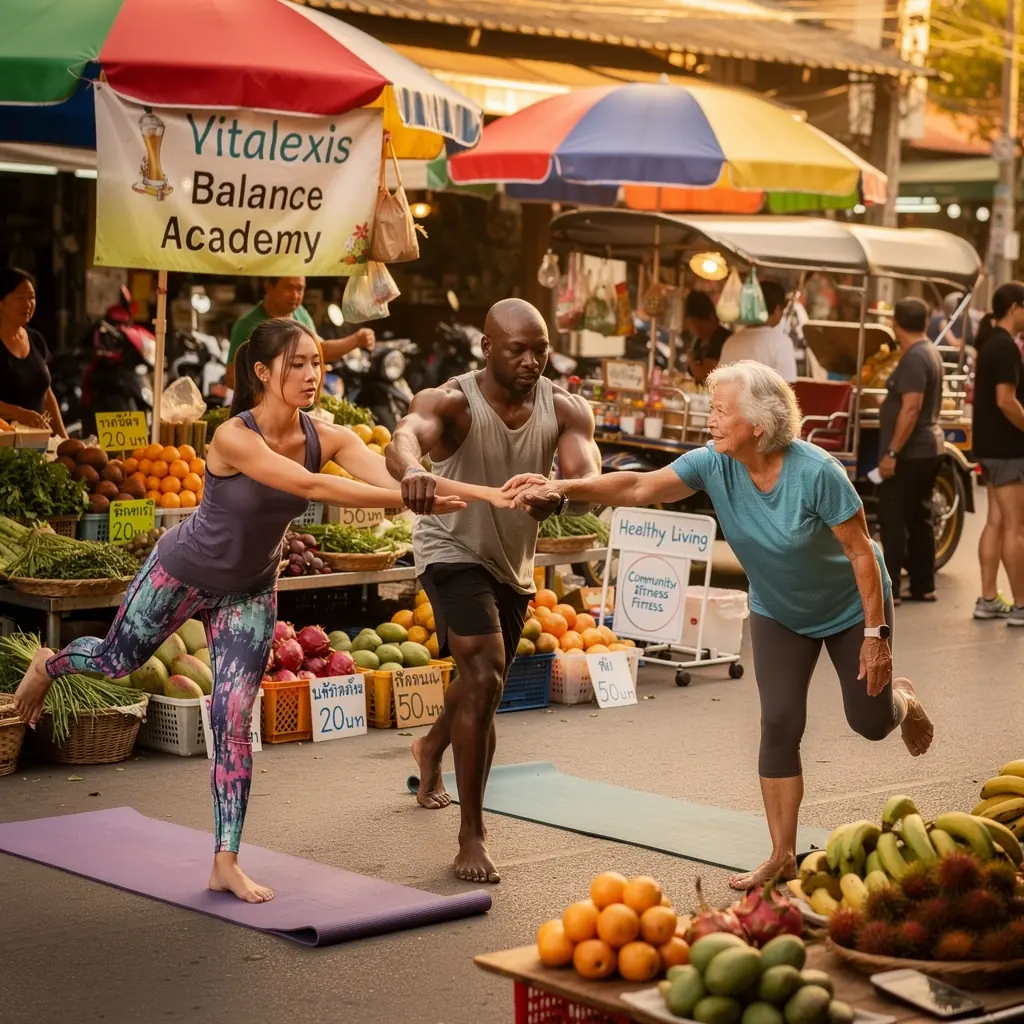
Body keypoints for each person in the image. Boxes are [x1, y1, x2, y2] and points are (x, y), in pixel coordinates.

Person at [14, 318, 520, 904]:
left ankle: (225, 861)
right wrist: (412, 500)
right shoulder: (233, 437)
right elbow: (314, 488)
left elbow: (396, 471)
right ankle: (49, 665)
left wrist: (480, 492)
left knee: (233, 719)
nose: (312, 374)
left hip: (250, 590)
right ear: (262, 371)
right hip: (181, 572)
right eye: (297, 364)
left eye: (317, 363)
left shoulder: (327, 435)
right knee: (113, 661)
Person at [511, 361, 934, 890]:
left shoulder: (817, 472)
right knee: (779, 723)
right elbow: (639, 486)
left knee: (870, 722)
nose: (709, 419)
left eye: (720, 410)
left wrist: (876, 636)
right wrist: (562, 487)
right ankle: (782, 854)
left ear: (758, 423)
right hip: (779, 610)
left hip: (850, 609)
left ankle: (904, 700)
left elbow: (861, 553)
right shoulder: (713, 463)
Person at [386, 298, 600, 884]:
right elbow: (405, 436)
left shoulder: (564, 407)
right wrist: (414, 471)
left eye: (540, 350)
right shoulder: (454, 401)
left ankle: (431, 746)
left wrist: (561, 493)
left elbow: (588, 476)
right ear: (486, 348)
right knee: (484, 674)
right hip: (450, 547)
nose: (531, 361)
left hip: (511, 565)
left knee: (486, 679)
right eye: (517, 350)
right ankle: (472, 835)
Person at [876, 298, 945, 605]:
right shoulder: (928, 350)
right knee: (919, 518)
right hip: (926, 448)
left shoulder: (915, 357)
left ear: (895, 324)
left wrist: (892, 452)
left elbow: (912, 407)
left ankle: (890, 589)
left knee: (893, 517)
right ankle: (923, 585)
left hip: (911, 452)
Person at [970, 282, 1024, 624]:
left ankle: (988, 598)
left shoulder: (990, 341)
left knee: (996, 521)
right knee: (1016, 528)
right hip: (1007, 449)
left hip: (989, 447)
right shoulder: (1005, 347)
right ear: (1015, 308)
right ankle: (1021, 605)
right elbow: (1006, 401)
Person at [225, 276, 374, 388]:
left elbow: (320, 350)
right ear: (269, 287)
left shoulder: (300, 313)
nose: (295, 296)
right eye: (289, 288)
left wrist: (356, 340)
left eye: (300, 289)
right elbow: (232, 379)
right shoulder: (246, 325)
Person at [0, 267, 67, 436]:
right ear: (1, 303)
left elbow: (47, 395)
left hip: (38, 443)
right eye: (20, 298)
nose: (28, 304)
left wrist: (64, 439)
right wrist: (18, 413)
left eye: (32, 297)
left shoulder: (36, 339)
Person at [718, 281, 798, 383]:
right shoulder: (782, 343)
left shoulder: (731, 342)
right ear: (777, 309)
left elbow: (720, 382)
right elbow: (787, 386)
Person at [684, 291, 731, 385]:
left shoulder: (721, 339)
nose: (692, 328)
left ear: (710, 318)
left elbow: (706, 376)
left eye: (694, 323)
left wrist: (691, 362)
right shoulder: (699, 341)